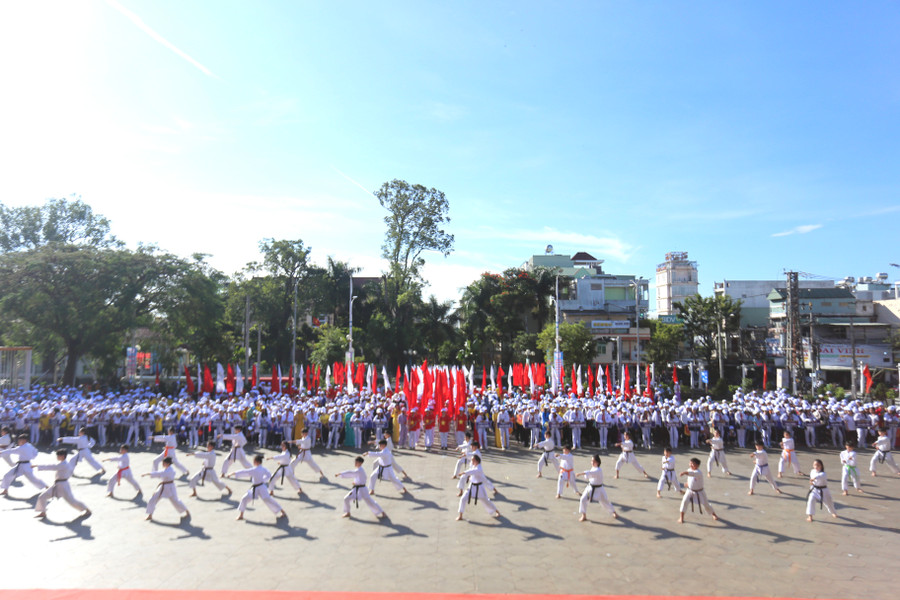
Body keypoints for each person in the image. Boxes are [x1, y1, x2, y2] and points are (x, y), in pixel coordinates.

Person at [34, 449, 91, 519]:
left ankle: (87, 510)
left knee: (71, 500)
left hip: (63, 486)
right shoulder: (65, 464)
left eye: (58, 455)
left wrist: (38, 466)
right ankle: (43, 512)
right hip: (57, 485)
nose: (57, 457)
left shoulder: (63, 464)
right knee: (42, 496)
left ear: (62, 456)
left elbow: (51, 466)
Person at [228, 454, 287, 521]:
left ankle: (282, 511)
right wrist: (263, 480)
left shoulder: (255, 469)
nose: (253, 463)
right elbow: (269, 475)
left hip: (260, 487)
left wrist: (233, 473)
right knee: (247, 498)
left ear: (258, 462)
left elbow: (244, 472)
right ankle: (241, 515)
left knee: (266, 499)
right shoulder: (263, 469)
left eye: (254, 461)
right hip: (258, 487)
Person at [142, 456, 190, 521]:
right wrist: (148, 474)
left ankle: (187, 511)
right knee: (153, 499)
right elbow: (160, 473)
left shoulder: (170, 470)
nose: (162, 464)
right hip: (163, 487)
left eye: (163, 463)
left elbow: (159, 473)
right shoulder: (167, 469)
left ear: (167, 463)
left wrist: (147, 474)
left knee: (175, 501)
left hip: (170, 487)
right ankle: (150, 515)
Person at [455, 455, 500, 521]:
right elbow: (471, 471)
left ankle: (497, 512)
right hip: (471, 486)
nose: (472, 461)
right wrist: (468, 476)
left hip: (479, 488)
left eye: (473, 460)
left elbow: (472, 471)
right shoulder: (474, 466)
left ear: (477, 461)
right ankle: (460, 515)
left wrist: (463, 473)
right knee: (463, 499)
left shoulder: (479, 468)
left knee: (486, 501)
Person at [576, 454, 617, 521]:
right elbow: (589, 475)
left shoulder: (598, 470)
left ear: (597, 462)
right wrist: (584, 474)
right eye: (591, 461)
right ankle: (584, 515)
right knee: (583, 499)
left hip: (599, 489)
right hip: (590, 488)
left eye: (593, 461)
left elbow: (590, 473)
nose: (592, 462)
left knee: (605, 502)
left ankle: (614, 512)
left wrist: (580, 473)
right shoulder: (593, 468)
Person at [678, 457, 718, 523]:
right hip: (690, 491)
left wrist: (684, 472)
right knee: (684, 502)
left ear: (697, 465)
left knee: (706, 504)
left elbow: (692, 474)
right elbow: (690, 478)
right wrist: (688, 484)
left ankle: (714, 514)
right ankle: (681, 517)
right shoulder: (689, 470)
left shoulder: (698, 472)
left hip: (700, 492)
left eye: (693, 464)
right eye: (690, 463)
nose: (691, 465)